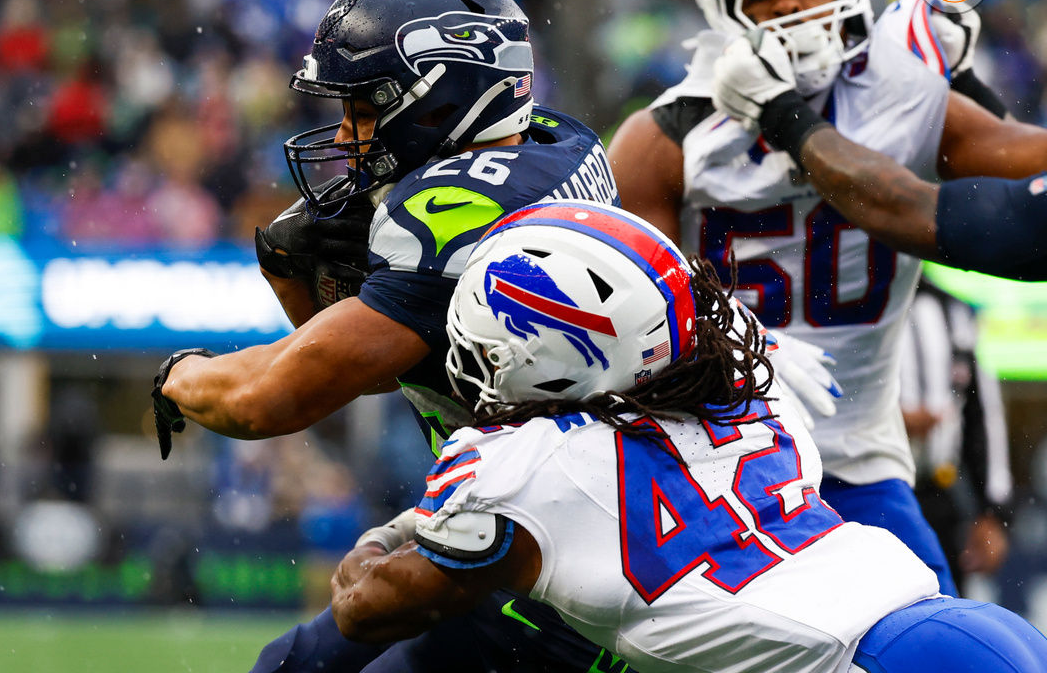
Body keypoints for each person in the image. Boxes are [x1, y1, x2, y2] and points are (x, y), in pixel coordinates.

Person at [330, 199, 1047, 673]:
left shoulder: (522, 470)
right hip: (957, 627)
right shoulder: (743, 383)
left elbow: (365, 611)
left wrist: (381, 540)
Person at [153, 0, 630, 672]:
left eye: (366, 108)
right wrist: (297, 278)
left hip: (565, 580)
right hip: (550, 519)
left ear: (443, 103)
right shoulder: (558, 142)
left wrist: (181, 376)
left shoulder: (450, 210)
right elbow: (381, 357)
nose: (347, 136)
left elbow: (271, 400)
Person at [606, 0, 1047, 595]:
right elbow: (633, 325)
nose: (786, 7)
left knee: (930, 629)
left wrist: (959, 86)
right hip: (714, 454)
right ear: (723, 8)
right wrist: (739, 358)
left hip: (858, 458)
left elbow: (1022, 172)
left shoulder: (902, 97)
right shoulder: (665, 138)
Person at [899, 278, 1014, 586]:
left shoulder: (951, 309)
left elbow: (981, 414)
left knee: (944, 610)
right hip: (854, 494)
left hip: (935, 495)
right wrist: (883, 422)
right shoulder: (840, 300)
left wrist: (993, 512)